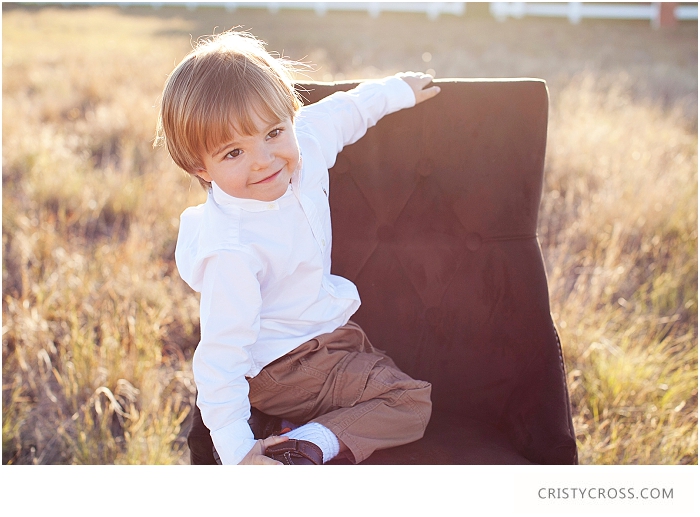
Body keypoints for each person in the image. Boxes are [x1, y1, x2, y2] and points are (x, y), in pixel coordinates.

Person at [155, 29, 440, 465]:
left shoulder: (303, 144)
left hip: (327, 336)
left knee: (380, 374)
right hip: (283, 366)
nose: (264, 160)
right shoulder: (232, 248)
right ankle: (303, 446)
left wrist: (397, 89)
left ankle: (291, 426)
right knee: (410, 402)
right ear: (200, 167)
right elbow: (220, 358)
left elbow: (345, 112)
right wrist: (237, 452)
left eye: (272, 132)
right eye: (233, 153)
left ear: (290, 117)